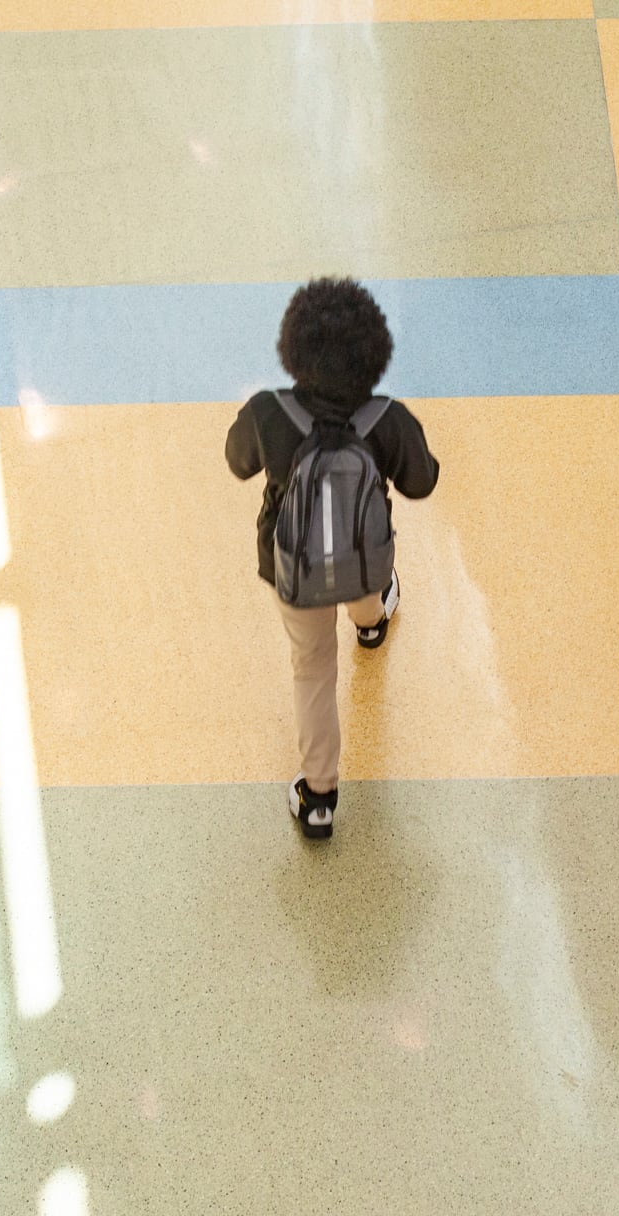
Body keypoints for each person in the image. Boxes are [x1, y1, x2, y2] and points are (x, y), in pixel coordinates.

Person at [226, 277, 439, 839]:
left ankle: (319, 796)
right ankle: (371, 624)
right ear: (373, 356)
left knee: (314, 668)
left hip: (290, 566)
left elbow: (236, 461)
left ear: (293, 350)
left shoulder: (269, 412)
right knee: (370, 588)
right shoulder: (385, 418)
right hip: (362, 556)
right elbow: (423, 482)